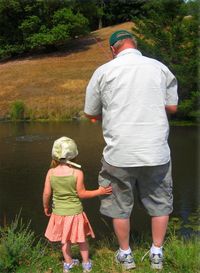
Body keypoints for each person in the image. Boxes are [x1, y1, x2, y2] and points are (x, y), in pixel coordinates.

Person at [84, 29, 178, 270]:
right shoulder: (160, 68)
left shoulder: (103, 71)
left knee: (119, 205)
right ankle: (157, 253)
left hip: (119, 153)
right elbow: (172, 107)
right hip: (156, 151)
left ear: (114, 49)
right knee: (160, 203)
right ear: (135, 44)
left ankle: (125, 255)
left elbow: (90, 113)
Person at [43, 136, 112, 273]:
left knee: (65, 241)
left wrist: (46, 206)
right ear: (74, 155)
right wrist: (100, 191)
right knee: (82, 239)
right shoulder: (77, 172)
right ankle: (86, 264)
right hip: (75, 213)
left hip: (59, 214)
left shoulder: (51, 172)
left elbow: (46, 193)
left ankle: (68, 264)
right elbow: (82, 194)